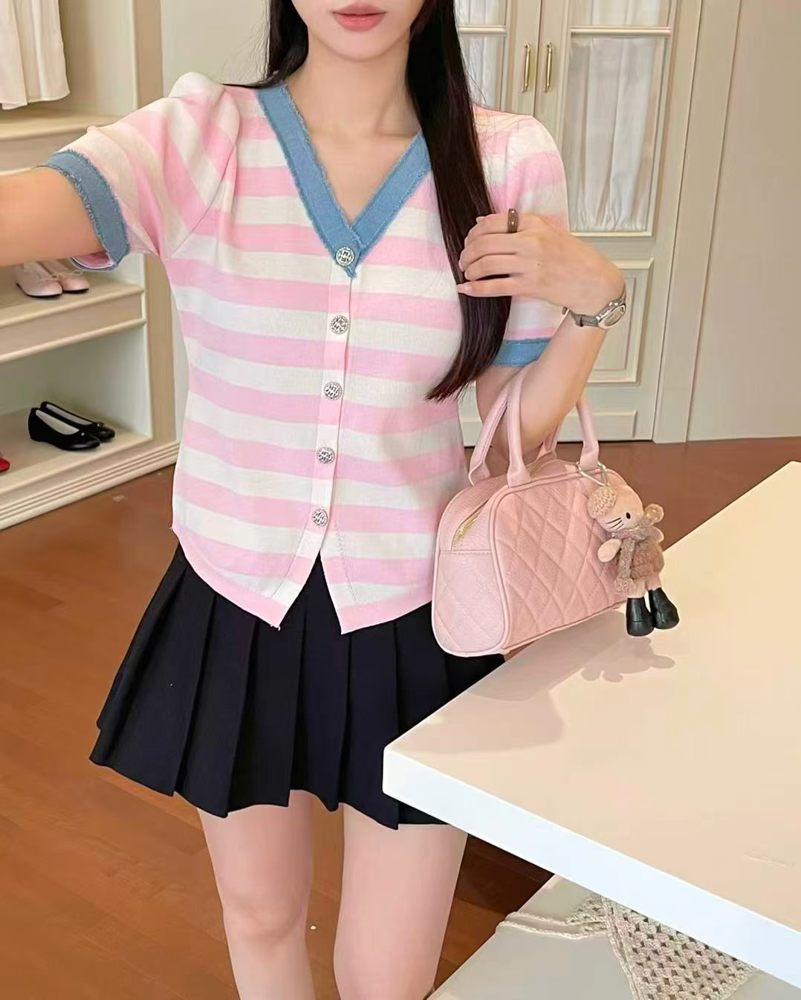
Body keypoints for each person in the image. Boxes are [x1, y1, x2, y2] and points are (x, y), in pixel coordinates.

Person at [0, 2, 625, 997]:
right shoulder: (199, 137)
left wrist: (594, 301)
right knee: (260, 916)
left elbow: (514, 430)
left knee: (389, 972)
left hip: (418, 613)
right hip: (237, 600)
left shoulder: (506, 159)